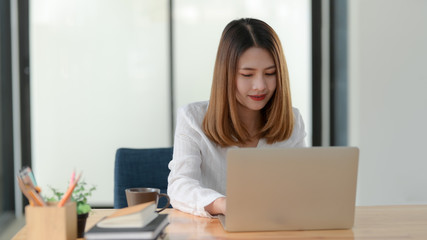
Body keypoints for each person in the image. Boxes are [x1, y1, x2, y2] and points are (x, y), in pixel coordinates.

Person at [167, 18, 307, 218]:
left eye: (270, 73)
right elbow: (180, 187)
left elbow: (301, 188)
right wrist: (222, 204)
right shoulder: (192, 118)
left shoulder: (292, 120)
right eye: (247, 75)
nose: (260, 85)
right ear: (226, 75)